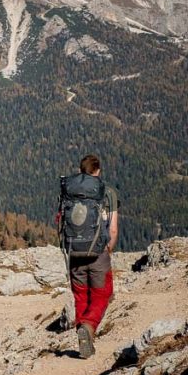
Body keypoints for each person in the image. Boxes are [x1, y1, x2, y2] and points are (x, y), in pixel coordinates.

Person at [58, 154, 119, 359]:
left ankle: (85, 339)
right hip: (98, 253)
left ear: (80, 170)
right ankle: (89, 327)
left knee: (80, 296)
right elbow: (113, 229)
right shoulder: (107, 192)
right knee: (103, 294)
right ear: (98, 171)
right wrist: (107, 249)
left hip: (74, 252)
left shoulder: (69, 191)